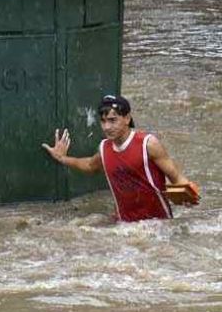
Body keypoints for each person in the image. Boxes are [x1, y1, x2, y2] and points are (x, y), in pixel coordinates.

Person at [42, 95, 198, 222]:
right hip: (124, 226)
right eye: (103, 121)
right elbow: (90, 165)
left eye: (112, 120)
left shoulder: (148, 144)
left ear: (127, 118)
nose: (107, 127)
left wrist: (189, 195)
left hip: (159, 224)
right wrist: (62, 158)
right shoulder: (104, 148)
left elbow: (176, 177)